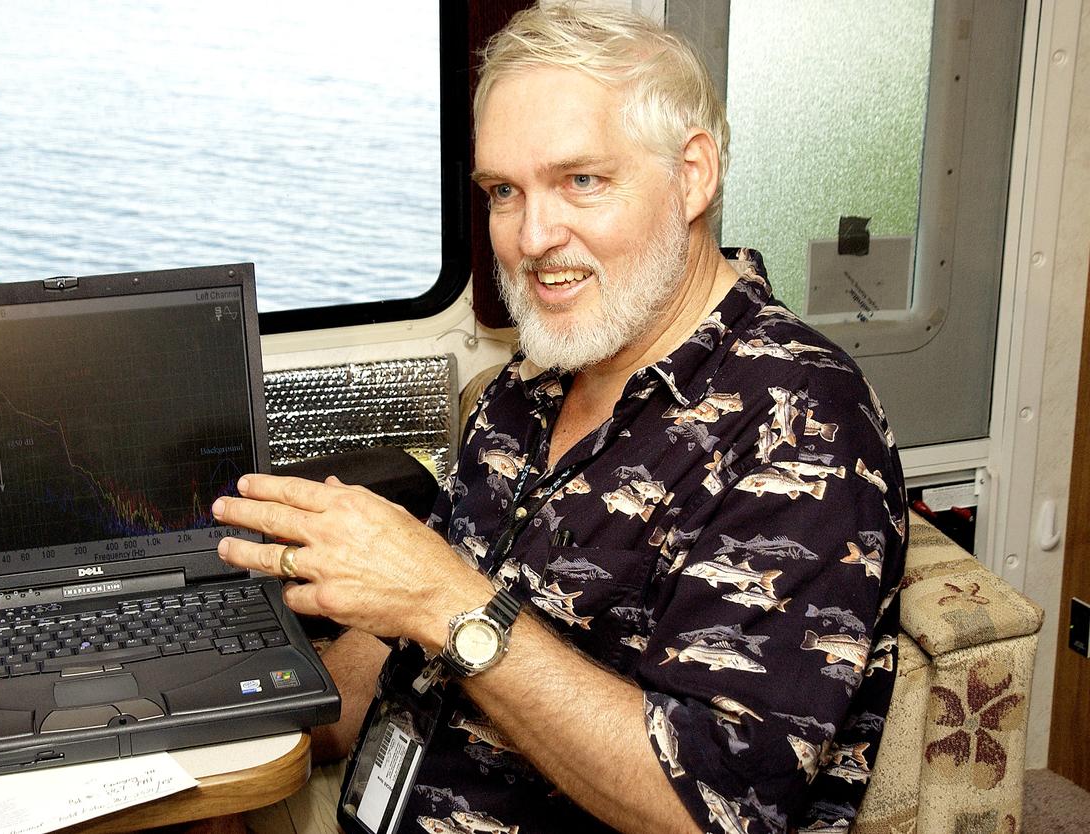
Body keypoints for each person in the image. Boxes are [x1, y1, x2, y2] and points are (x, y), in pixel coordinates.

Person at [210, 4, 906, 833]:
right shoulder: (532, 380)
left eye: (582, 180)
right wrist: (233, 727)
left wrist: (445, 600)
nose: (533, 237)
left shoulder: (805, 423)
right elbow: (402, 637)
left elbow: (713, 808)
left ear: (692, 176)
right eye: (505, 192)